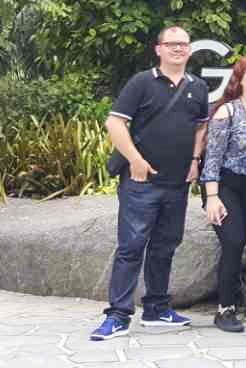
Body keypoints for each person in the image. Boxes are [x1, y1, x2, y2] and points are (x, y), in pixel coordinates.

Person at [91, 25, 209, 341]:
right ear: (158, 49)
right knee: (131, 248)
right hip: (141, 183)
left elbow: (201, 127)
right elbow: (115, 122)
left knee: (165, 246)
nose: (178, 49)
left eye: (183, 44)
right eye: (171, 44)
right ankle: (117, 315)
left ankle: (156, 309)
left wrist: (195, 161)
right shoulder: (141, 83)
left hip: (177, 184)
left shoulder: (197, 87)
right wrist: (135, 160)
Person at [201, 56, 246, 333]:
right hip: (225, 184)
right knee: (232, 242)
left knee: (238, 245)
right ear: (239, 79)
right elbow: (213, 157)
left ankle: (232, 300)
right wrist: (212, 196)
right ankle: (225, 309)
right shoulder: (227, 112)